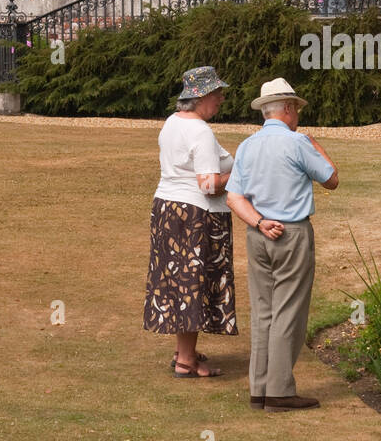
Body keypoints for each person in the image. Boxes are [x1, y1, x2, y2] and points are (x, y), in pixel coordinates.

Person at [225, 77, 338, 412]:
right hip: (291, 233)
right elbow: (331, 179)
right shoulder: (298, 142)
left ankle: (259, 389)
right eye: (296, 109)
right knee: (288, 311)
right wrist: (318, 147)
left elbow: (233, 196)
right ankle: (279, 391)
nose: (298, 115)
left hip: (258, 233)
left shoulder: (247, 146)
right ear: (287, 109)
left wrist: (259, 222)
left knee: (263, 312)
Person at [143, 66, 238, 378]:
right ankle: (186, 362)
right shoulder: (200, 131)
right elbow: (209, 184)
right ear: (201, 97)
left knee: (179, 280)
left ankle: (183, 351)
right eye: (217, 93)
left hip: (167, 209)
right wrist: (240, 175)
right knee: (192, 284)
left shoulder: (172, 123)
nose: (221, 98)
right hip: (194, 215)